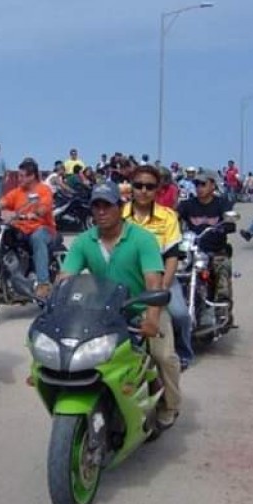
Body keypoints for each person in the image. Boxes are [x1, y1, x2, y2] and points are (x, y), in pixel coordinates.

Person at [58, 181, 181, 428]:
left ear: (120, 207)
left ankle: (170, 405)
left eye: (107, 205)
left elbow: (154, 282)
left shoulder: (142, 239)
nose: (101, 211)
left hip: (142, 308)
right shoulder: (84, 241)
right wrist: (55, 305)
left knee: (162, 355)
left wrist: (152, 318)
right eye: (96, 206)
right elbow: (65, 279)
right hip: (102, 313)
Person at [128, 165, 194, 370]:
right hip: (129, 278)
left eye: (150, 186)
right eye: (138, 186)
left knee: (180, 314)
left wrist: (162, 288)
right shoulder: (119, 215)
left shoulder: (168, 216)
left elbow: (172, 256)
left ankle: (184, 352)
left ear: (157, 189)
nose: (144, 191)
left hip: (161, 279)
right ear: (131, 188)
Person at [177, 169, 235, 321]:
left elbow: (230, 223)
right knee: (174, 272)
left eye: (203, 184)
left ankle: (223, 310)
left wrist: (225, 226)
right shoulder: (187, 205)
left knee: (222, 269)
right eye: (196, 184)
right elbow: (173, 217)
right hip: (192, 252)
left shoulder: (222, 203)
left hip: (215, 251)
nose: (199, 187)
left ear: (212, 186)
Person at [0, 158, 57, 300]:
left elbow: (44, 207)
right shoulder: (17, 192)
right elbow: (3, 202)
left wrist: (34, 213)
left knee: (37, 237)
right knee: (0, 236)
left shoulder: (43, 190)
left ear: (32, 176)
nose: (19, 179)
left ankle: (43, 284)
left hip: (43, 229)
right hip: (21, 230)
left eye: (22, 176)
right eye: (18, 175)